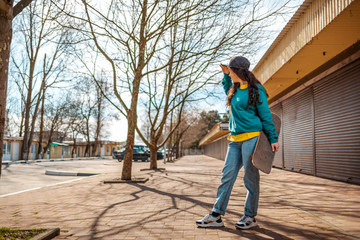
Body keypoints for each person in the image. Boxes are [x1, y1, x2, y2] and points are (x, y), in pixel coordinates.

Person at [196, 56, 279, 230]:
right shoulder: (234, 89)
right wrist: (225, 75)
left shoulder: (256, 90)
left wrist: (273, 138)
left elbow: (265, 116)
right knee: (227, 176)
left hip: (252, 138)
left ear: (239, 71)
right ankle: (216, 215)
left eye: (231, 70)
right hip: (234, 140)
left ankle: (250, 216)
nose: (230, 73)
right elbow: (226, 86)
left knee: (250, 179)